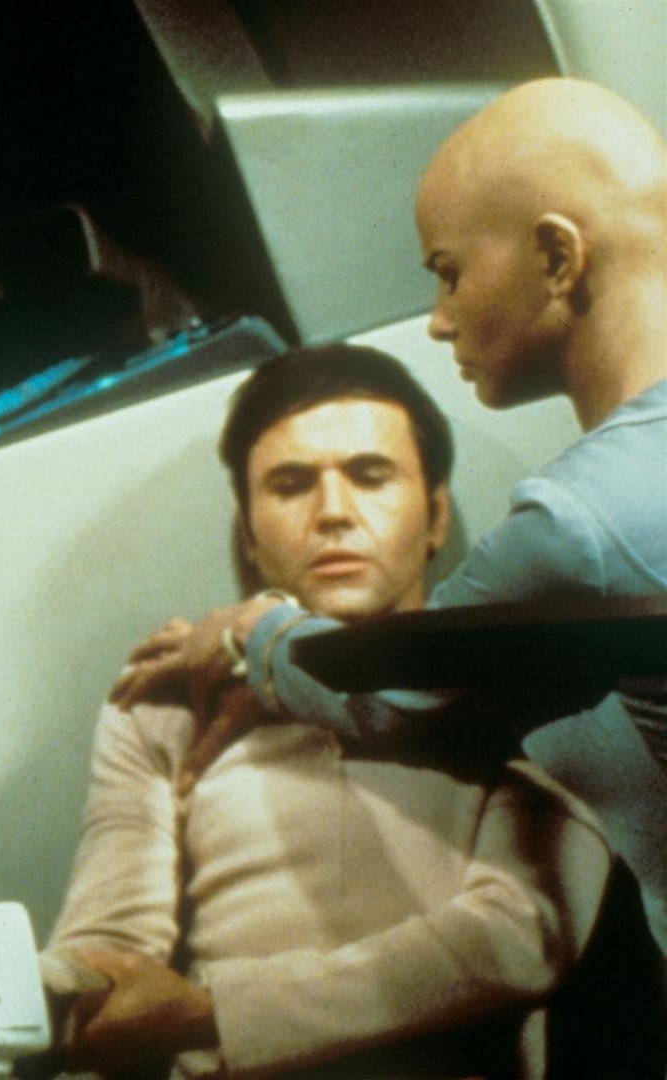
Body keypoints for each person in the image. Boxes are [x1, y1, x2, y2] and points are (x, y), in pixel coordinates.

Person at [110, 77, 667, 958]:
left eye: (449, 274)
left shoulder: (580, 521)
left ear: (557, 258)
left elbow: (378, 696)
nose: (441, 321)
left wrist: (252, 630)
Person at [45, 347, 609, 1078]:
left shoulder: (516, 680)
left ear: (435, 515)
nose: (334, 512)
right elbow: (109, 946)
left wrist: (218, 1013)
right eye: (291, 485)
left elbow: (518, 937)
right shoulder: (168, 708)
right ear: (249, 536)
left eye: (370, 476)